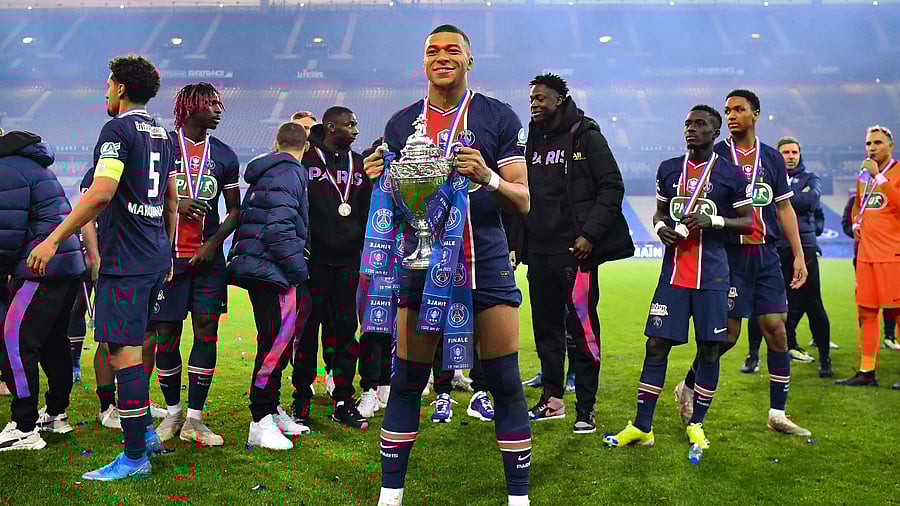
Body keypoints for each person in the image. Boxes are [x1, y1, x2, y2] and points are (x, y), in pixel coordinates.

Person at [363, 24, 532, 506]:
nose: (442, 57)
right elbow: (395, 205)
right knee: (407, 380)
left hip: (486, 261)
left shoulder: (497, 116)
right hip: (421, 264)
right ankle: (390, 496)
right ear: (423, 62)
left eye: (452, 50)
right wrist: (378, 179)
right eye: (432, 51)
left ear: (469, 60)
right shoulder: (400, 124)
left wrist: (489, 178)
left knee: (503, 379)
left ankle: (518, 499)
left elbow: (523, 199)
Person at [27, 54, 177, 480]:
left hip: (125, 258)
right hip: (152, 256)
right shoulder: (164, 134)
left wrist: (54, 238)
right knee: (133, 347)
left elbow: (102, 191)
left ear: (122, 88)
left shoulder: (117, 129)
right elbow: (170, 201)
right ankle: (145, 434)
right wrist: (166, 252)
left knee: (122, 353)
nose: (105, 92)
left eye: (109, 85)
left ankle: (132, 458)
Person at [604, 105, 752, 455]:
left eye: (700, 124)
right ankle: (642, 426)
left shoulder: (730, 174)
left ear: (715, 133)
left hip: (712, 275)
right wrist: (659, 227)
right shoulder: (669, 169)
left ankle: (697, 424)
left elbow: (747, 222)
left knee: (709, 350)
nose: (691, 129)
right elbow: (659, 210)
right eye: (688, 124)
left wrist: (714, 223)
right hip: (673, 273)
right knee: (656, 345)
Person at [673, 89, 811, 436]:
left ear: (756, 114)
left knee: (777, 329)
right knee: (728, 336)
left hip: (765, 254)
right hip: (729, 255)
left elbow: (783, 208)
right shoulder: (715, 156)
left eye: (739, 109)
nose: (732, 115)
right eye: (727, 110)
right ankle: (688, 384)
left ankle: (777, 413)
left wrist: (798, 254)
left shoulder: (772, 158)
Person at [521, 73, 632, 433]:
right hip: (539, 251)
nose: (535, 104)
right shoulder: (533, 138)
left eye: (541, 99)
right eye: (532, 99)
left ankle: (586, 408)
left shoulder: (585, 135)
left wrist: (590, 235)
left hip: (575, 252)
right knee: (545, 329)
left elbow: (612, 186)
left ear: (559, 99)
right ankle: (553, 401)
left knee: (581, 329)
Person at [150, 83, 241, 446]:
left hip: (207, 260)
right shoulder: (162, 147)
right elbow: (141, 195)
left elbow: (235, 210)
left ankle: (195, 419)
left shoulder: (224, 154)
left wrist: (211, 243)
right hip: (168, 260)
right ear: (190, 107)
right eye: (212, 103)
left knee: (206, 331)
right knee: (167, 334)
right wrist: (176, 205)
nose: (219, 109)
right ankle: (172, 413)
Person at [228, 121, 312, 449]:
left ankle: (272, 410)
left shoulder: (270, 171)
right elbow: (279, 230)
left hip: (263, 267)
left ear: (276, 144)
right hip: (273, 271)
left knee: (276, 341)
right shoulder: (290, 173)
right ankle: (260, 420)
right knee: (275, 344)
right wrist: (298, 271)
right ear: (304, 147)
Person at [0, 129, 85, 451]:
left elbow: (6, 231)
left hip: (39, 266)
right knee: (52, 342)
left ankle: (24, 427)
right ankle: (55, 414)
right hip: (64, 265)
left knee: (16, 343)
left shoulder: (5, 168)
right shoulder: (31, 164)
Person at [292, 106, 371, 429]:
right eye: (349, 125)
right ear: (330, 127)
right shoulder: (307, 160)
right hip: (313, 264)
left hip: (348, 263)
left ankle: (343, 399)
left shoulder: (362, 165)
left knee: (343, 335)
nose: (355, 130)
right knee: (307, 334)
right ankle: (301, 398)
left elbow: (367, 210)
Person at [740, 136, 833, 378]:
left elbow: (810, 200)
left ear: (800, 154)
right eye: (786, 152)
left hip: (804, 246)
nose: (791, 156)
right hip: (772, 246)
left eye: (794, 152)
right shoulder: (767, 175)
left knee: (814, 303)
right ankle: (752, 356)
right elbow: (776, 204)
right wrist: (790, 197)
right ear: (777, 155)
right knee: (760, 303)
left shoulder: (811, 178)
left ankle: (824, 359)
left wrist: (781, 195)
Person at [837, 125, 900, 389]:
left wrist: (881, 180)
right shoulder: (863, 177)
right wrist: (855, 224)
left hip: (893, 255)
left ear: (891, 146)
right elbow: (858, 206)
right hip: (866, 256)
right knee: (867, 312)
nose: (872, 148)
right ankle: (867, 370)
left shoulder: (894, 173)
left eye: (877, 143)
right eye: (868, 144)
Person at [842, 186, 898, 350]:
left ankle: (889, 336)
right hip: (862, 257)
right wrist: (853, 229)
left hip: (887, 256)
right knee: (865, 300)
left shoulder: (889, 197)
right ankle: (866, 339)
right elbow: (846, 223)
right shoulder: (855, 200)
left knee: (890, 298)